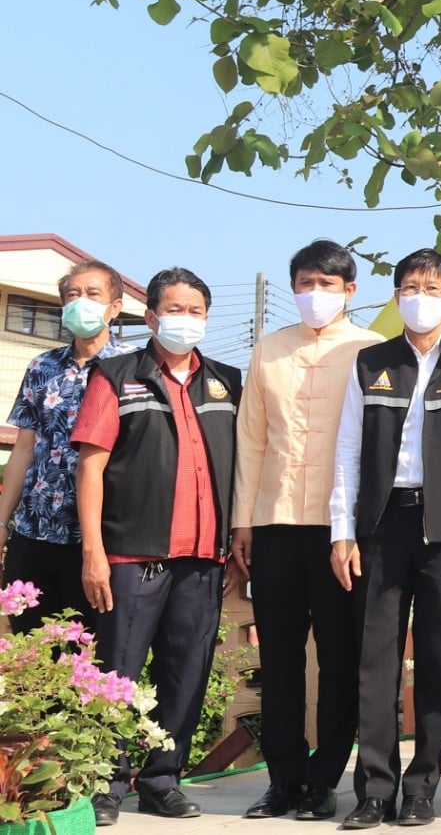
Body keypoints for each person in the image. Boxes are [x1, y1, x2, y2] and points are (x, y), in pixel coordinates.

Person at [330, 249, 441, 829]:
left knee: (436, 660)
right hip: (381, 528)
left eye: (431, 289)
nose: (419, 298)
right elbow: (347, 451)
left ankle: (421, 787)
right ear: (397, 295)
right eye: (409, 287)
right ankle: (374, 790)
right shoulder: (371, 362)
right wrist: (342, 531)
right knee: (374, 664)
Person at [73, 268, 240, 826]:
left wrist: (239, 536)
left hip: (203, 557)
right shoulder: (116, 375)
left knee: (187, 671)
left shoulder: (226, 382)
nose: (184, 319)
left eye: (195, 311)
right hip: (132, 555)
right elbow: (91, 468)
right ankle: (104, 782)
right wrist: (93, 552)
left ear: (207, 318)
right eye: (173, 309)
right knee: (116, 671)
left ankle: (162, 780)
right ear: (149, 317)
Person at [233, 240, 382, 822]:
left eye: (327, 284)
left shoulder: (371, 350)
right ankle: (283, 779)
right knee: (279, 659)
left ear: (350, 290)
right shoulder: (268, 350)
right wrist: (243, 520)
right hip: (274, 524)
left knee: (341, 659)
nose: (314, 294)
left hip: (341, 530)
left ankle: (324, 780)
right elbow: (251, 439)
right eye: (305, 283)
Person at [1, 259, 138, 630]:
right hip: (35, 529)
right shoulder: (42, 366)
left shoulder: (134, 367)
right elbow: (24, 449)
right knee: (30, 643)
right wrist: (2, 521)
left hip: (101, 538)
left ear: (115, 306)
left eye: (92, 294)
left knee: (91, 648)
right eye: (73, 295)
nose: (81, 302)